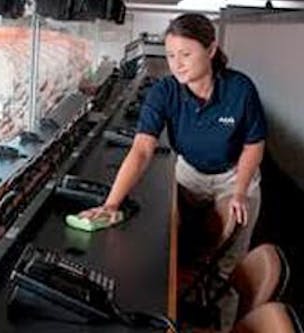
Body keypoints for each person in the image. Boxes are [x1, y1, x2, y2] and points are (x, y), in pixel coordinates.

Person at [79, 13, 266, 275]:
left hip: (233, 177)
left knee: (224, 264)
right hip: (189, 175)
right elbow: (142, 149)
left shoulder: (240, 89)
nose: (177, 64)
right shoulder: (164, 92)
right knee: (175, 246)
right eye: (171, 55)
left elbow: (253, 145)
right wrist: (111, 204)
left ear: (211, 49)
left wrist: (240, 191)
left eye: (186, 54)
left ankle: (221, 311)